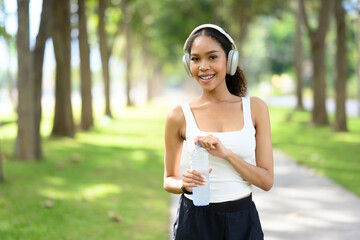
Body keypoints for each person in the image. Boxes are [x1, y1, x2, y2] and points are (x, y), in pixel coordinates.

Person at [163, 23, 273, 240]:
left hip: (242, 222)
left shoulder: (255, 108)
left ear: (229, 60)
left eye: (212, 57)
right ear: (188, 64)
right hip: (195, 221)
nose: (203, 66)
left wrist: (227, 155)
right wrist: (183, 184)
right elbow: (168, 179)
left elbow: (266, 181)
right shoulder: (178, 115)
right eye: (195, 59)